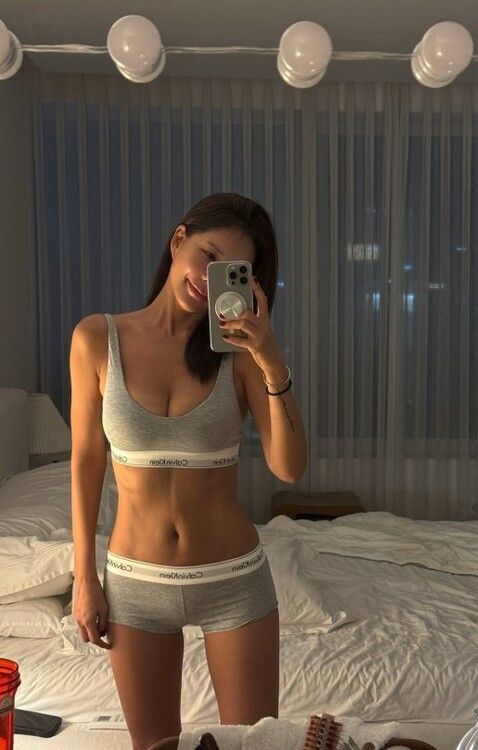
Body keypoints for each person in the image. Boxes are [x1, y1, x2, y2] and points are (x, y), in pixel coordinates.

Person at [69, 193, 307, 750]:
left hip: (234, 582)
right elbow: (86, 461)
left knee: (251, 746)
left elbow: (290, 468)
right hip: (136, 584)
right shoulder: (96, 339)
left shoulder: (240, 353)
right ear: (179, 240)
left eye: (230, 269)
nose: (207, 278)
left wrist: (271, 359)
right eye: (208, 254)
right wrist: (84, 577)